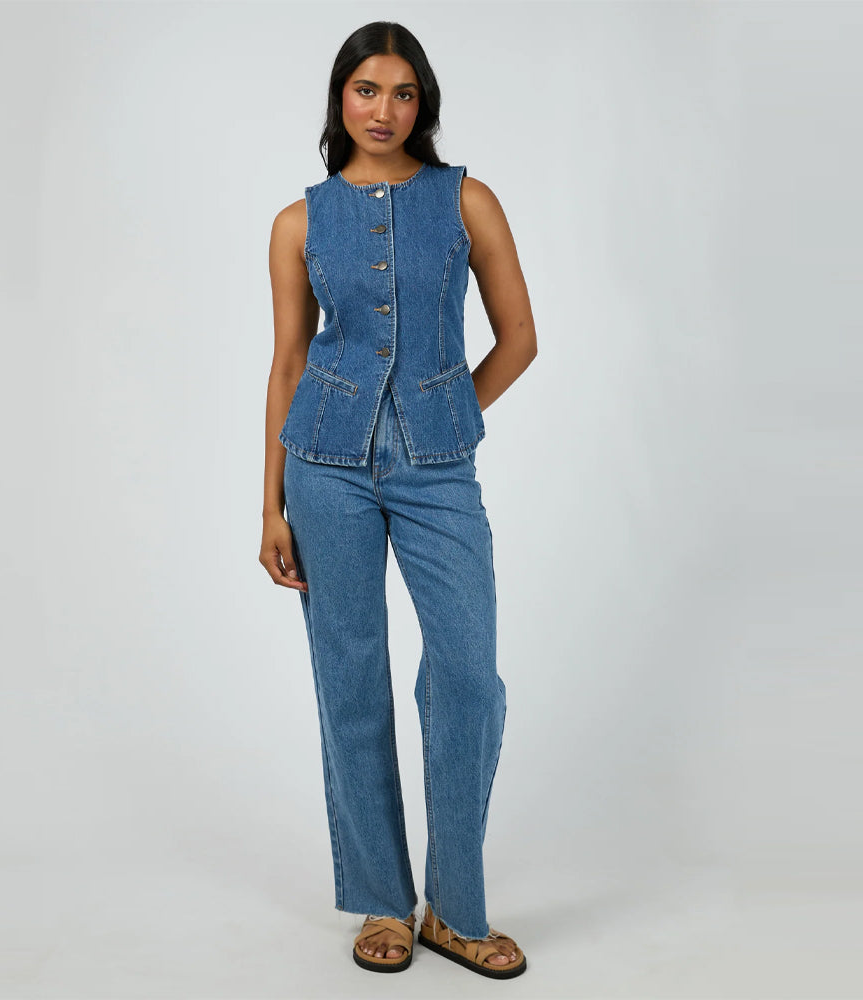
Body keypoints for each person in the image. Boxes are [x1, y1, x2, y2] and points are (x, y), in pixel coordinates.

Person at [259, 21, 537, 980]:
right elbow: (287, 363)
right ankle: (383, 900)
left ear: (425, 104)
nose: (384, 110)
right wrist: (269, 506)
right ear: (340, 98)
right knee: (350, 677)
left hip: (436, 468)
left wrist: (445, 411)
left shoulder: (467, 201)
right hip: (323, 464)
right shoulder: (299, 222)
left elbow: (519, 337)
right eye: (367, 90)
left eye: (404, 92)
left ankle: (455, 909)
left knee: (467, 677)